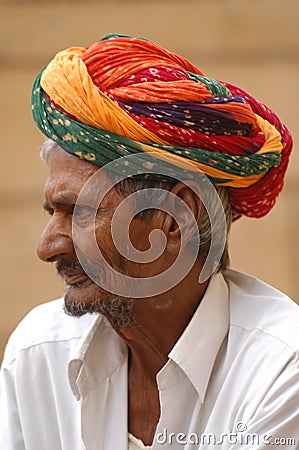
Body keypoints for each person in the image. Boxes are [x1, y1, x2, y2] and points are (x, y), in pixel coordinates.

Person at [1, 33, 298, 450]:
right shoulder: (38, 354)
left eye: (81, 212)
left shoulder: (281, 367)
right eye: (54, 213)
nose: (47, 246)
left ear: (177, 217)